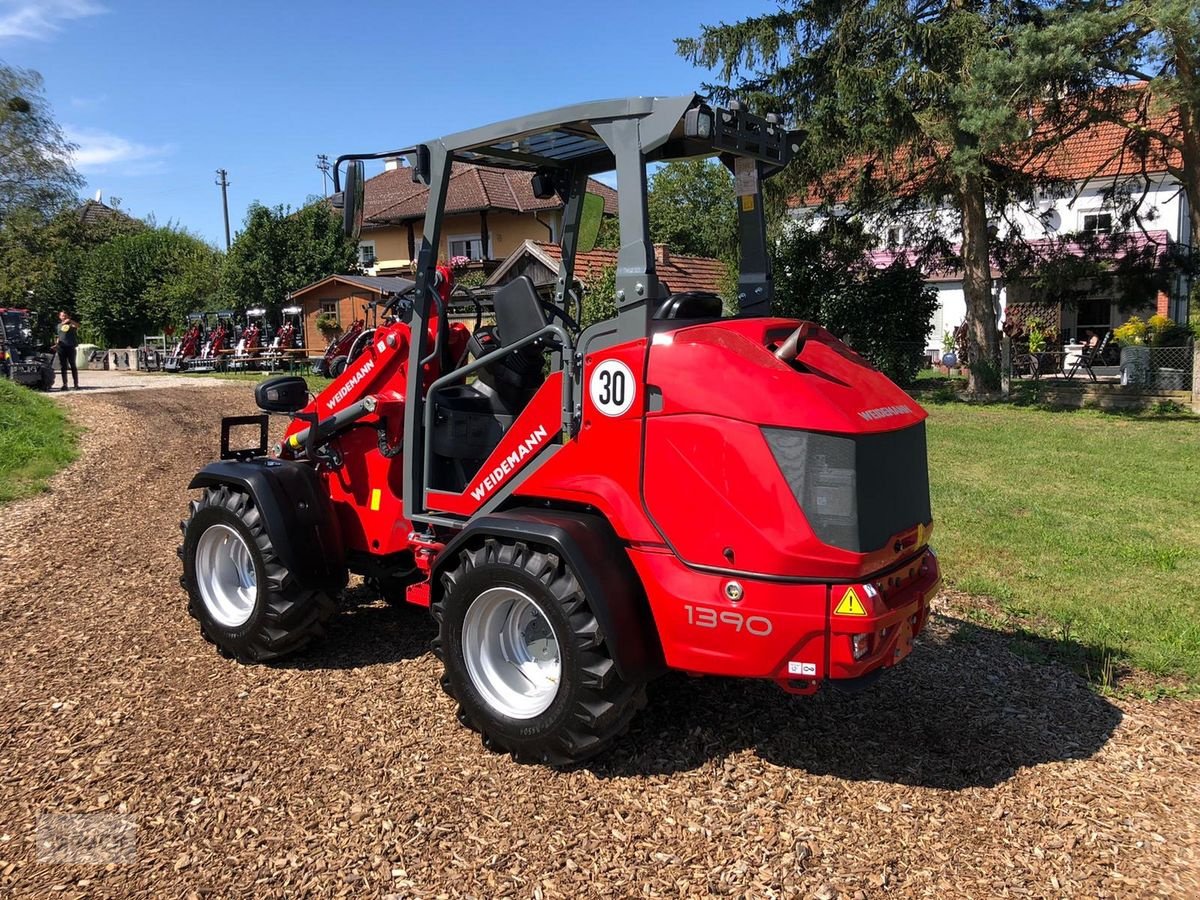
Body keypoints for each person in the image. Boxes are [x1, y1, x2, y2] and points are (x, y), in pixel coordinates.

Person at [54, 310, 80, 390]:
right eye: (62, 316)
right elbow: (59, 336)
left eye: (65, 316)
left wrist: (70, 321)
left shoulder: (71, 325)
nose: (64, 317)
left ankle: (76, 384)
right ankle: (64, 384)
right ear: (60, 317)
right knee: (63, 366)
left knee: (73, 365)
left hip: (70, 346)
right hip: (61, 347)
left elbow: (78, 326)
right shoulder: (58, 326)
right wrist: (56, 344)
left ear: (68, 316)